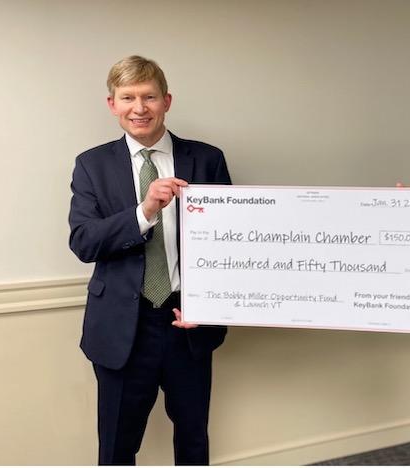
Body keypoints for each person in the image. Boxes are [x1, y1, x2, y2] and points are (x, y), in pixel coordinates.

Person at [69, 55, 230, 465]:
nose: (138, 108)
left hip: (187, 322)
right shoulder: (92, 164)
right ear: (112, 104)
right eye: (127, 98)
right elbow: (84, 242)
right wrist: (145, 212)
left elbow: (230, 245)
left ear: (166, 101)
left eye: (149, 97)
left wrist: (211, 303)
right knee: (117, 448)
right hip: (123, 327)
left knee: (194, 441)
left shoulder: (207, 159)